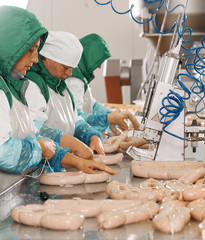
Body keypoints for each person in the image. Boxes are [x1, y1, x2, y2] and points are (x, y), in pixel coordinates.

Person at [0, 6, 115, 175]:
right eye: (31, 50)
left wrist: (78, 156)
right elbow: (4, 151)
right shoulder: (29, 86)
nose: (34, 58)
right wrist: (43, 147)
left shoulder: (16, 85)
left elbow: (32, 132)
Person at [24, 31, 106, 155]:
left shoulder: (61, 86)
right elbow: (33, 128)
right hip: (42, 166)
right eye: (65, 67)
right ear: (47, 58)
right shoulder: (32, 85)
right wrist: (73, 144)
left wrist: (91, 136)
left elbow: (74, 119)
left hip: (61, 165)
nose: (69, 74)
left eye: (71, 68)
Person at [65, 33, 140, 136]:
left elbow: (91, 104)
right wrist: (108, 118)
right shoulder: (74, 81)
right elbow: (75, 117)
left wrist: (113, 113)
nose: (99, 67)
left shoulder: (80, 75)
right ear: (89, 57)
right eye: (97, 62)